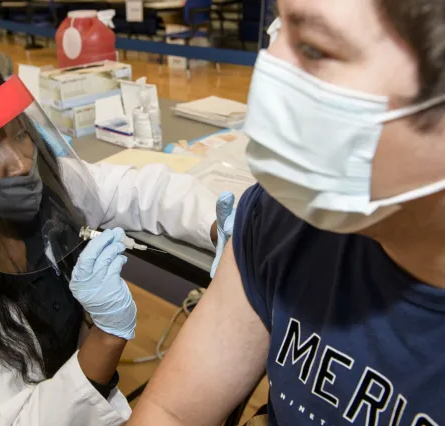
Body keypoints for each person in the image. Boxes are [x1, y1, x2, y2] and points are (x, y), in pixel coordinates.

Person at [129, 0, 445, 425]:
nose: (267, 67)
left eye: (313, 49)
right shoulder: (281, 219)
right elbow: (171, 413)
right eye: (278, 31)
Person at [0, 45, 227, 425]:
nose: (22, 163)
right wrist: (107, 337)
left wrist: (222, 223)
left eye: (20, 134)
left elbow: (139, 190)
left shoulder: (47, 189)